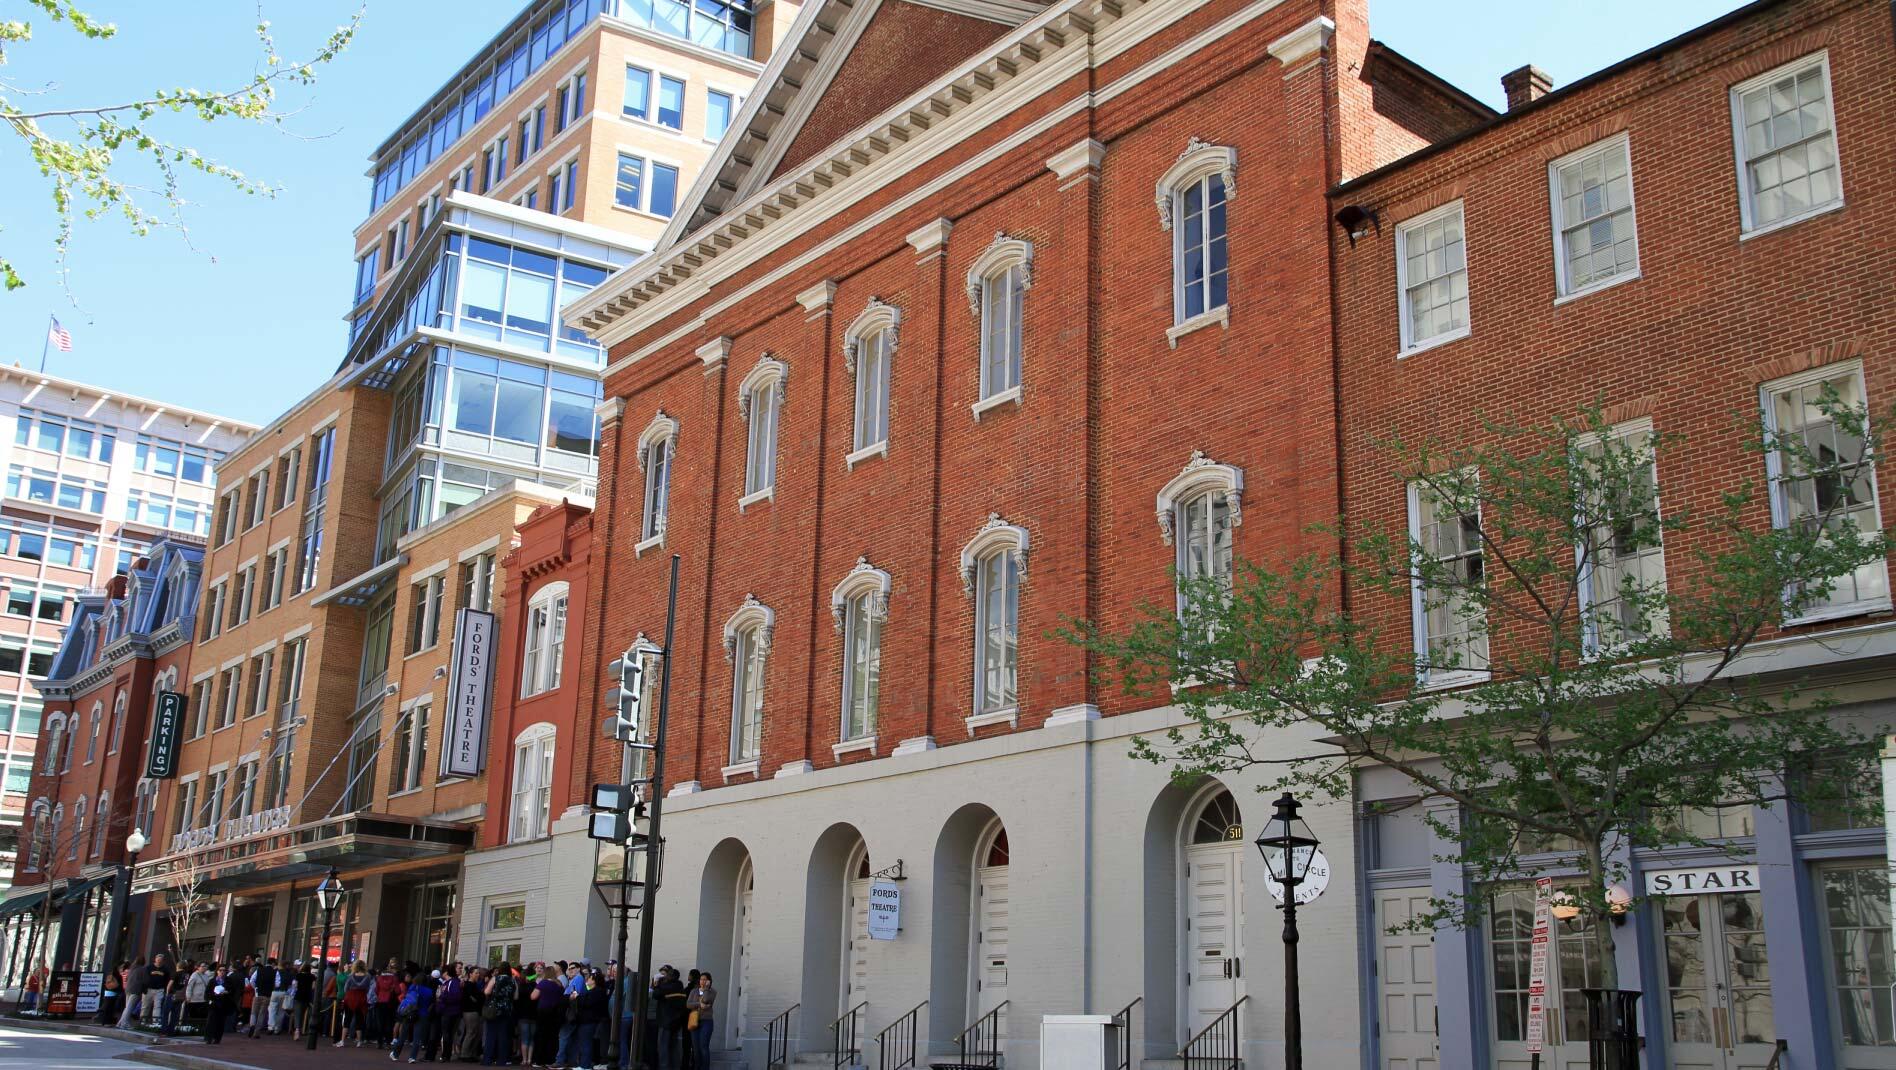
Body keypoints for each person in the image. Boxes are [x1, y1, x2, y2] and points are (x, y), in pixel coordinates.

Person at [396, 969, 437, 1063]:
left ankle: (395, 1054)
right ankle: (412, 1057)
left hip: (410, 1013)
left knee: (403, 1034)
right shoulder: (429, 991)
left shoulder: (413, 987)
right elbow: (432, 1002)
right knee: (417, 1038)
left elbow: (408, 998)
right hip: (423, 1014)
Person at [481, 963, 516, 1067]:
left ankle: (487, 1059)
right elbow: (516, 996)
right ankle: (502, 1060)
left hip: (494, 1009)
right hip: (506, 1010)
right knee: (503, 1036)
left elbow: (487, 992)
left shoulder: (495, 978)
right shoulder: (512, 980)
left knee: (491, 1035)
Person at [652, 967, 686, 1070]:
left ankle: (664, 1067)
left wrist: (656, 984)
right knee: (674, 1047)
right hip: (677, 1022)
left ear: (670, 976)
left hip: (665, 1021)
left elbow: (656, 994)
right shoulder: (680, 986)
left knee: (663, 1047)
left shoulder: (666, 987)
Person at [532, 965, 564, 1068]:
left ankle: (538, 1060)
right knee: (553, 1036)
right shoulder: (559, 984)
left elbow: (533, 996)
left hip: (543, 1011)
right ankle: (550, 1060)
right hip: (555, 1012)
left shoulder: (543, 983)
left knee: (541, 1035)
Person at [685, 973, 715, 1070]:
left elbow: (706, 1000)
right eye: (701, 979)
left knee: (703, 1046)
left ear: (709, 981)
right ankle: (697, 1067)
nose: (703, 981)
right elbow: (688, 1004)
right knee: (696, 1048)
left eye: (705, 980)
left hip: (706, 1021)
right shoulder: (694, 991)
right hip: (694, 1021)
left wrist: (706, 988)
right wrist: (699, 1004)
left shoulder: (712, 991)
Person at [459, 967, 487, 1061]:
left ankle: (470, 1053)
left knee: (474, 1033)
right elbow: (473, 998)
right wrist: (479, 998)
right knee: (471, 1032)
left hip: (473, 1010)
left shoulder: (473, 984)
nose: (478, 975)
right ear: (470, 974)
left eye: (478, 973)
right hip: (470, 1011)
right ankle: (465, 1054)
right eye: (476, 973)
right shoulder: (469, 985)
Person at [376, 958, 403, 1045]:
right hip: (390, 1001)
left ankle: (379, 1042)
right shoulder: (394, 978)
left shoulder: (379, 978)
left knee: (380, 1021)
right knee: (389, 1021)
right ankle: (388, 1041)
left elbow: (376, 990)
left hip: (380, 1000)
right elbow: (398, 991)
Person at [205, 969, 234, 1045]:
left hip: (224, 1004)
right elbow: (207, 992)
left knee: (221, 1022)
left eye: (224, 970)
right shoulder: (212, 981)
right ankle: (209, 1038)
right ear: (217, 971)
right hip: (214, 1003)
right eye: (220, 970)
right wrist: (213, 996)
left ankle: (217, 1038)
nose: (222, 972)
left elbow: (232, 991)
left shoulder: (228, 981)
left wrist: (226, 992)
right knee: (211, 1021)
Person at [117, 956, 146, 1027]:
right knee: (130, 1007)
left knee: (127, 1007)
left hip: (128, 989)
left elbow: (126, 978)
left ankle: (120, 1022)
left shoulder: (131, 969)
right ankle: (124, 1023)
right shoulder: (142, 969)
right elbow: (145, 980)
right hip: (136, 990)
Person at [293, 958, 317, 1040]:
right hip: (308, 996)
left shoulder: (298, 975)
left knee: (297, 1014)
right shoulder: (312, 976)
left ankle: (297, 1030)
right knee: (305, 1014)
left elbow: (295, 986)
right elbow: (313, 987)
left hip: (298, 996)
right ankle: (307, 1029)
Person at [186, 961, 211, 1028]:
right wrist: (188, 996)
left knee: (202, 1015)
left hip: (203, 999)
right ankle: (192, 1028)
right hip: (194, 1000)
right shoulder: (194, 975)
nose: (204, 968)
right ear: (198, 967)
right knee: (193, 1016)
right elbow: (189, 986)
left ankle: (200, 1029)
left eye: (205, 966)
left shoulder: (206, 976)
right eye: (202, 966)